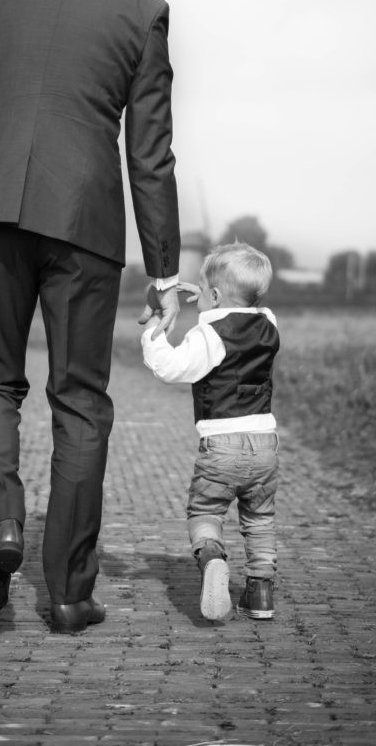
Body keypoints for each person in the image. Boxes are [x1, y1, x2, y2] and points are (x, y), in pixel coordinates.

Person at [0, 0, 180, 633]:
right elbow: (151, 154)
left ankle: (2, 525)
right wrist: (164, 271)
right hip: (83, 224)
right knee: (78, 399)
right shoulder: (141, 9)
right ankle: (69, 594)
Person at [141, 242, 280, 621]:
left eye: (204, 289)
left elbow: (171, 368)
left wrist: (154, 326)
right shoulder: (268, 323)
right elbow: (249, 305)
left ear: (215, 296)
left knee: (205, 510)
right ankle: (260, 594)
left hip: (221, 445)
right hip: (266, 445)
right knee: (260, 518)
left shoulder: (210, 336)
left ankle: (213, 557)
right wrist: (208, 294)